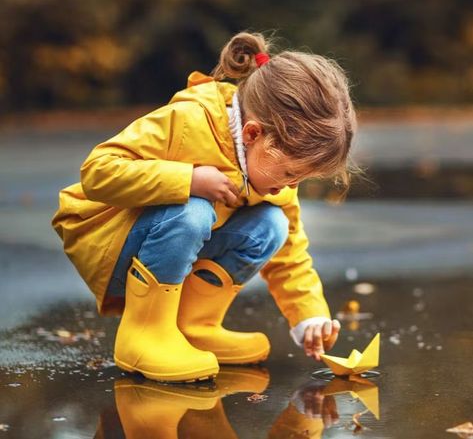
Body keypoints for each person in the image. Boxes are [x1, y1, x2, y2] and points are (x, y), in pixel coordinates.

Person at [51, 31, 357, 383]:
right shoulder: (188, 121)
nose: (292, 185)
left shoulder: (270, 173)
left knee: (273, 224)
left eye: (301, 178)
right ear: (254, 134)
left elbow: (290, 251)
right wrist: (188, 179)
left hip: (170, 245)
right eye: (290, 172)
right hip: (110, 240)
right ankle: (144, 335)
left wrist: (309, 316)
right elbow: (97, 173)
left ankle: (192, 327)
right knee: (194, 209)